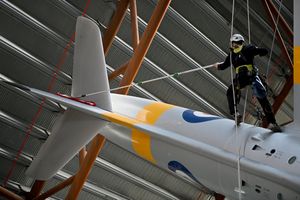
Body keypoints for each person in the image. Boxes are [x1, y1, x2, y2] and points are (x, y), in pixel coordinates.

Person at [214, 33, 281, 132]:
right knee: (263, 100)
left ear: (233, 42)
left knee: (231, 92)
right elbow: (264, 51)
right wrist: (258, 51)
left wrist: (217, 65)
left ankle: (235, 113)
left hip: (242, 79)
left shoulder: (233, 55)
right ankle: (272, 122)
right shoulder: (246, 49)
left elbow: (223, 66)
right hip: (251, 77)